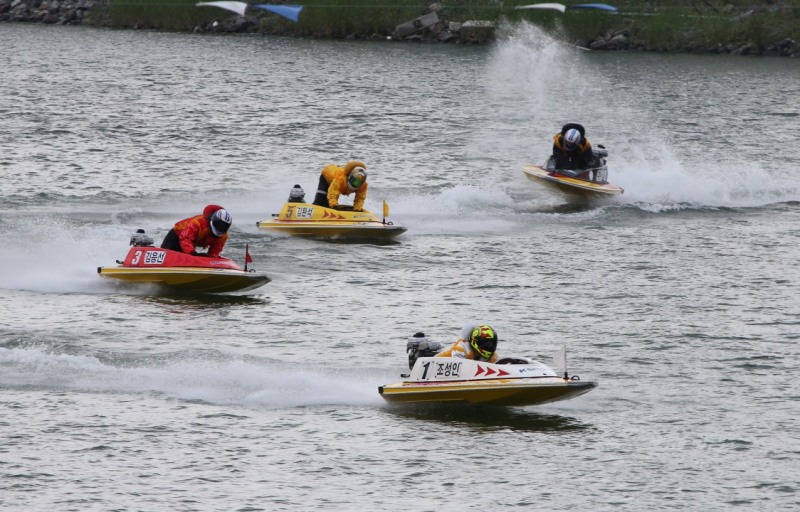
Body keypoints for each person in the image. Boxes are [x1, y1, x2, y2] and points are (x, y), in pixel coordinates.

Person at [160, 204, 232, 258]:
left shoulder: (223, 237)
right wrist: (193, 254)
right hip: (176, 236)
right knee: (165, 256)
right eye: (219, 224)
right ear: (213, 220)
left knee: (189, 258)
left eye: (224, 226)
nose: (221, 228)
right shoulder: (198, 224)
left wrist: (211, 259)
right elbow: (185, 238)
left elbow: (215, 251)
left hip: (192, 242)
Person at [434, 323, 500, 363]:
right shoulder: (461, 348)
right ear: (476, 341)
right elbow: (458, 368)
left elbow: (498, 364)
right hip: (435, 364)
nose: (490, 346)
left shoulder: (490, 354)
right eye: (486, 343)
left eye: (492, 343)